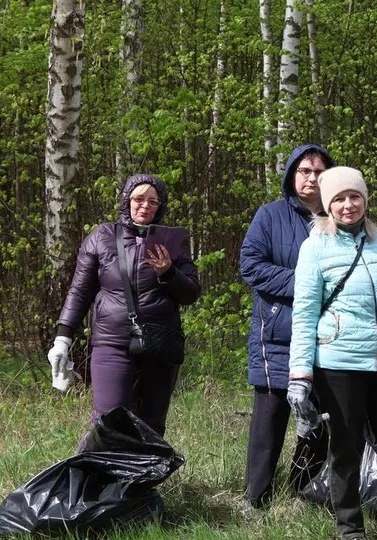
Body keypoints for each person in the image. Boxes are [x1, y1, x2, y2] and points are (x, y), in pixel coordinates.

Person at [288, 167, 377, 540]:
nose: (348, 205)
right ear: (327, 205)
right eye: (338, 199)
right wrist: (299, 374)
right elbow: (303, 313)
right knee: (345, 450)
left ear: (365, 199)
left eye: (354, 197)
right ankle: (349, 529)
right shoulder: (315, 247)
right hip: (339, 364)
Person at [47, 174, 201, 438]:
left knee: (151, 424)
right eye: (138, 199)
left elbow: (190, 293)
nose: (145, 206)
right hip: (111, 341)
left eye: (153, 201)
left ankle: (142, 480)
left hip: (160, 342)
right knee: (109, 420)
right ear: (126, 201)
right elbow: (80, 290)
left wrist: (168, 272)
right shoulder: (102, 236)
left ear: (160, 206)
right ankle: (98, 479)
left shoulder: (172, 240)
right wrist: (63, 339)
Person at [239, 144, 334, 509]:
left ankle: (304, 490)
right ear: (292, 175)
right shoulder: (270, 215)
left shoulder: (340, 214)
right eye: (305, 171)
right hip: (279, 332)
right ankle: (256, 497)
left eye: (319, 172)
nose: (312, 178)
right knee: (271, 413)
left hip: (327, 332)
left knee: (320, 413)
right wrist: (306, 284)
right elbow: (251, 266)